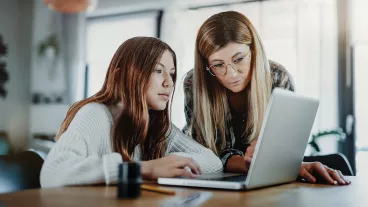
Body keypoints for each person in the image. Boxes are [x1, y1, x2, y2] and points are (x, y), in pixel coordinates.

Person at [183, 11, 350, 185]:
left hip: (268, 182)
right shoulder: (194, 83)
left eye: (239, 59)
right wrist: (254, 164)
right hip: (216, 183)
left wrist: (268, 160)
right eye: (218, 65)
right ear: (206, 65)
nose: (231, 74)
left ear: (254, 51)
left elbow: (286, 148)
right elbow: (205, 152)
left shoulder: (278, 78)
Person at [40, 37, 223, 188]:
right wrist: (143, 169)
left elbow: (213, 162)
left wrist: (171, 162)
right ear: (124, 75)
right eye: (158, 71)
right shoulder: (95, 114)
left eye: (172, 73)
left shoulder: (157, 125)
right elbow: (53, 173)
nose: (169, 83)